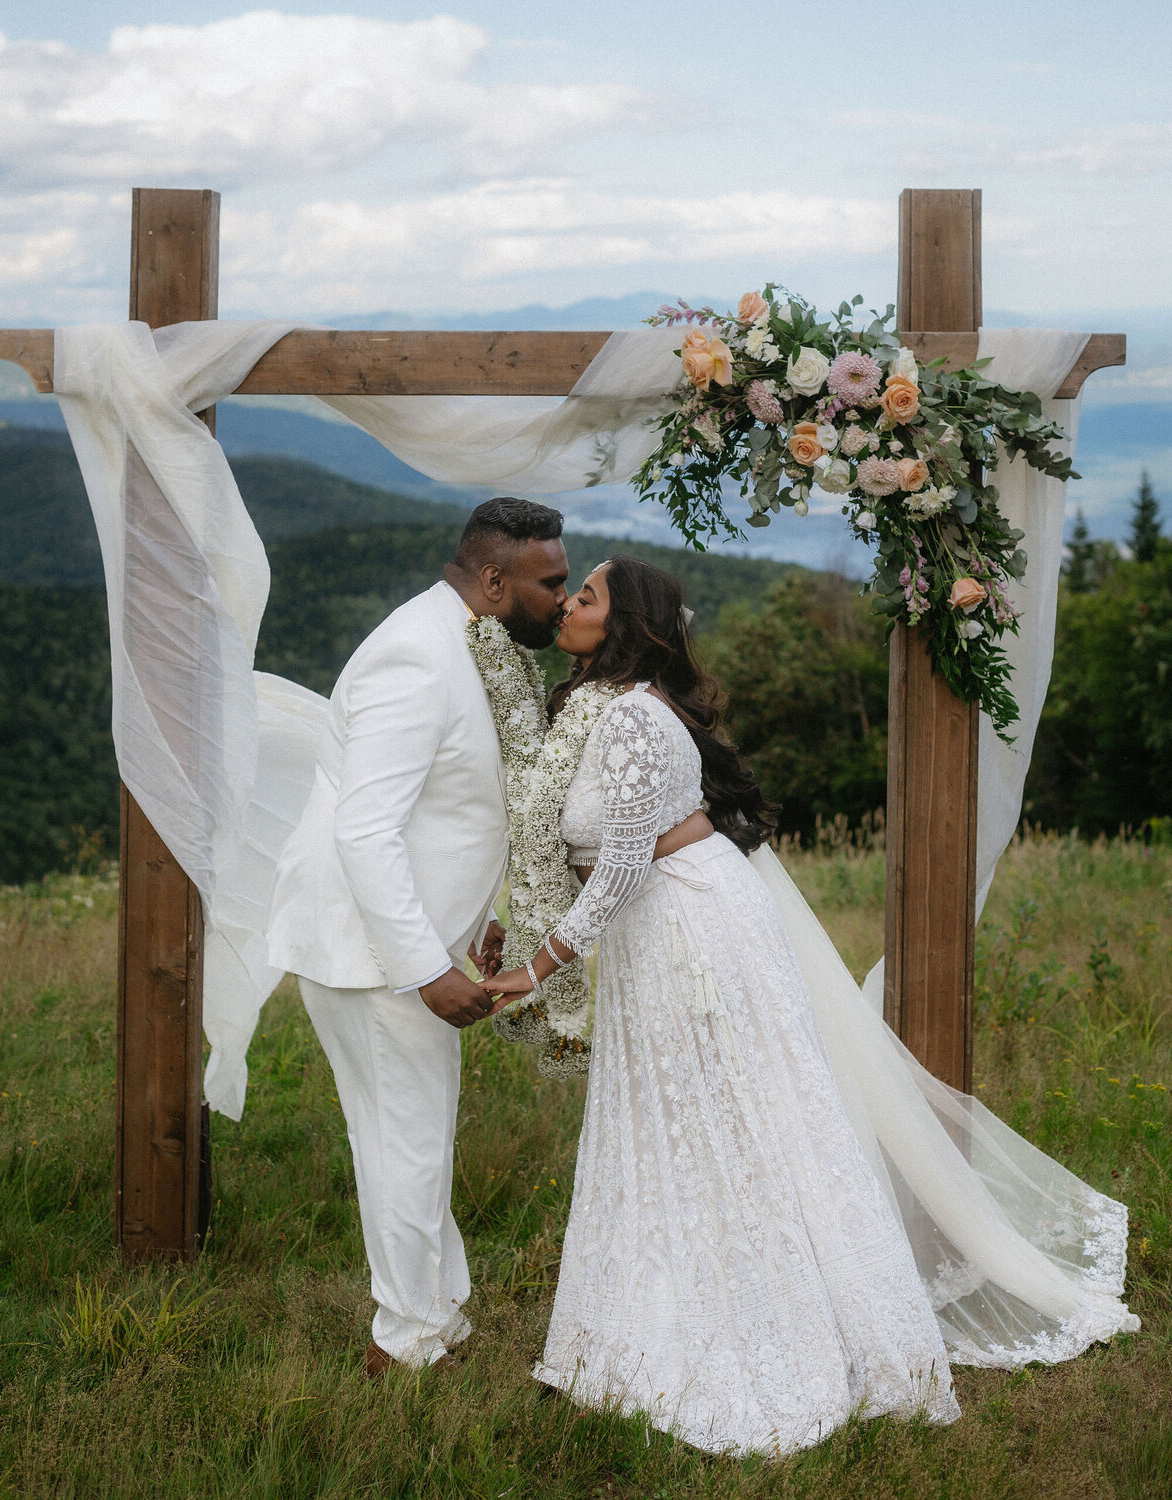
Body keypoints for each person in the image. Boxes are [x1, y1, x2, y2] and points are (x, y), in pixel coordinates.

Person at [481, 554, 1138, 1458]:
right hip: (667, 927)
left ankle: (781, 1336)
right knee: (693, 1128)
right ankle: (664, 1317)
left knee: (735, 1128)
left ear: (625, 624)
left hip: (685, 930)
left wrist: (540, 962)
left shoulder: (634, 717)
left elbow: (627, 860)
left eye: (585, 597)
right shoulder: (625, 709)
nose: (568, 608)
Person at [265, 496, 569, 1375]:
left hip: (405, 943)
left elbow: (454, 811)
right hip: (377, 957)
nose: (559, 596)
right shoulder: (416, 655)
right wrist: (424, 967)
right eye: (549, 581)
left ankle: (433, 1313)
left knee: (410, 1139)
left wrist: (481, 921)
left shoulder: (464, 640)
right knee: (406, 1143)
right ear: (492, 578)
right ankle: (402, 1343)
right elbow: (367, 829)